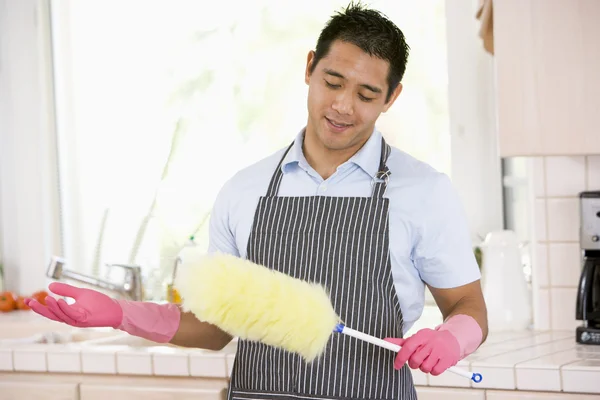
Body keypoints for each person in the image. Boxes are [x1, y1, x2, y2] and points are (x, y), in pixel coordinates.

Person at [26, 2, 488, 399]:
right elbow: (214, 326)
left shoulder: (424, 191)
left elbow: (468, 304)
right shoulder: (244, 191)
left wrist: (453, 337)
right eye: (332, 82)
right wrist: (120, 314)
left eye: (367, 94)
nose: (343, 106)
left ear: (392, 98)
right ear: (309, 67)